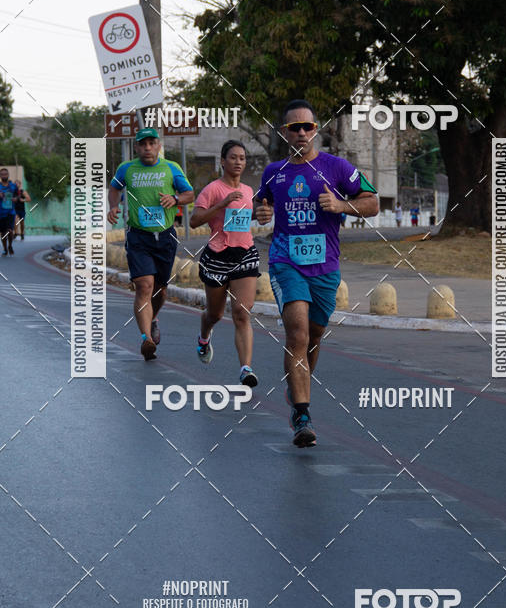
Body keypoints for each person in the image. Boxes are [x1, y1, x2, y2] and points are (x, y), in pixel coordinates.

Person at [255, 99, 379, 447]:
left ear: (316, 130)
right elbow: (261, 202)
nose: (301, 132)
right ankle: (302, 414)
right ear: (284, 133)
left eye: (307, 126)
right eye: (294, 127)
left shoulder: (337, 167)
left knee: (314, 335)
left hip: (326, 266)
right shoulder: (274, 172)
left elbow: (372, 201)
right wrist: (262, 213)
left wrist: (342, 205)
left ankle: (296, 387)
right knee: (296, 334)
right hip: (286, 262)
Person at [107, 128, 194, 360]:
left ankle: (153, 318)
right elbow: (114, 188)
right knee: (144, 286)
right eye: (142, 144)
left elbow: (189, 194)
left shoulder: (171, 168)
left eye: (151, 143)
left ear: (158, 146)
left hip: (165, 236)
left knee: (160, 289)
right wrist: (113, 206)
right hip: (139, 237)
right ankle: (146, 339)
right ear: (136, 147)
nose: (147, 147)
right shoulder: (126, 168)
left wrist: (175, 199)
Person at [191, 140, 261, 387]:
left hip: (244, 255)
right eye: (233, 157)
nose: (238, 162)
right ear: (222, 161)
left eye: (242, 158)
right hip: (217, 257)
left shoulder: (250, 191)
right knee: (215, 314)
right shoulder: (212, 189)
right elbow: (194, 220)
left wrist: (261, 215)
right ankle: (204, 335)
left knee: (242, 313)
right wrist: (221, 203)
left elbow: (246, 216)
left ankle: (245, 369)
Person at [0, 168, 18, 256]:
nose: (4, 176)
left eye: (5, 174)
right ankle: (5, 248)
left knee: (10, 231)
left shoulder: (13, 186)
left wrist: (16, 199)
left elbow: (18, 196)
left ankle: (10, 245)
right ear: (0, 176)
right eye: (2, 174)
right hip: (1, 213)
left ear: (8, 175)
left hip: (11, 212)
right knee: (3, 232)